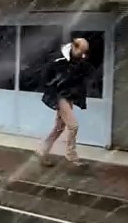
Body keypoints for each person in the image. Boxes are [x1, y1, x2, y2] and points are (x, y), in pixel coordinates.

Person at [36, 38, 93, 168]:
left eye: (85, 52)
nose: (83, 55)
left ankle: (42, 151)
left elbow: (80, 76)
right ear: (74, 46)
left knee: (59, 128)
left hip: (68, 96)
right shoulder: (59, 59)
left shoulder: (78, 60)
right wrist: (53, 89)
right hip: (59, 95)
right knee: (73, 126)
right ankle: (71, 155)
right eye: (81, 51)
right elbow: (46, 75)